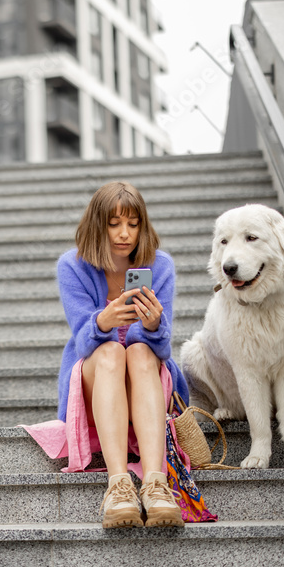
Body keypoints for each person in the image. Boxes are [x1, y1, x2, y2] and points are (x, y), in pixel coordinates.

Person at [56, 180, 189, 528]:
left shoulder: (160, 266)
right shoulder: (73, 266)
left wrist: (154, 323)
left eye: (133, 223)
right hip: (96, 376)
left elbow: (163, 349)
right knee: (112, 350)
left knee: (140, 351)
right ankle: (118, 486)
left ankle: (155, 483)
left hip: (145, 375)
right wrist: (103, 321)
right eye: (114, 223)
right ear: (97, 224)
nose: (124, 233)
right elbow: (84, 345)